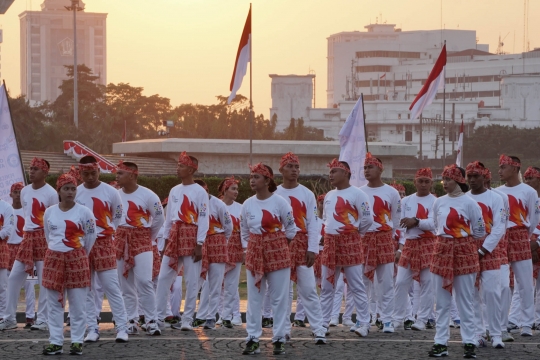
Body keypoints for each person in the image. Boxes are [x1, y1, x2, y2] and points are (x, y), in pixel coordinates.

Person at [428, 164, 485, 358]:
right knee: (442, 302)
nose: (444, 183)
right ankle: (440, 343)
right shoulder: (438, 202)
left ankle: (469, 342)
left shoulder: (470, 203)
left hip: (464, 251)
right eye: (443, 179)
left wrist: (462, 239)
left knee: (465, 300)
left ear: (459, 181)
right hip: (442, 251)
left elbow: (480, 230)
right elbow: (436, 225)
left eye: (449, 179)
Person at [241, 163, 296, 355]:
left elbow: (291, 229)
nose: (252, 180)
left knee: (279, 298)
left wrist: (275, 244)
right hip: (255, 251)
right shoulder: (247, 203)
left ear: (267, 180)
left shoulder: (280, 202)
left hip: (278, 251)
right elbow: (245, 232)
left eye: (256, 177)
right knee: (254, 297)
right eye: (251, 177)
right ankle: (252, 338)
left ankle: (279, 337)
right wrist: (255, 246)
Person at [74, 156, 129, 342]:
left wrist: (110, 230)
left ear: (99, 171)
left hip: (104, 242)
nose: (89, 177)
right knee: (86, 287)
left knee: (111, 286)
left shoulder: (110, 192)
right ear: (80, 173)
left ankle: (122, 327)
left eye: (93, 173)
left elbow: (119, 213)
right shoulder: (77, 192)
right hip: (81, 245)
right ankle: (92, 328)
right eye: (85, 174)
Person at [41, 173, 97, 355]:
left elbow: (90, 236)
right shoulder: (50, 212)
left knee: (78, 303)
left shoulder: (84, 212)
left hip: (77, 259)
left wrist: (79, 254)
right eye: (66, 189)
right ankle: (56, 342)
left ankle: (77, 341)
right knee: (54, 303)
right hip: (54, 259)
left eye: (73, 189)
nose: (70, 192)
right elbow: (48, 235)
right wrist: (57, 252)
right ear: (59, 191)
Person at [0, 158, 58, 331]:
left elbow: (53, 219)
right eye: (30, 168)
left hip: (43, 238)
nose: (31, 172)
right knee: (13, 279)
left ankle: (42, 319)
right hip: (27, 238)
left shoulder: (51, 193)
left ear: (45, 173)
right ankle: (9, 318)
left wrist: (51, 242)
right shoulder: (25, 191)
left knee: (43, 281)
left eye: (35, 169)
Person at [274, 152, 326, 343]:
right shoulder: (275, 194)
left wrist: (313, 248)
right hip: (282, 244)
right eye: (290, 167)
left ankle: (318, 329)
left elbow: (313, 223)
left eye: (297, 167)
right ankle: (284, 329)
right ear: (281, 170)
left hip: (303, 244)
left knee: (308, 288)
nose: (294, 170)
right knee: (283, 290)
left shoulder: (306, 193)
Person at [319, 159, 373, 338]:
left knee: (356, 285)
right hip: (330, 243)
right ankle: (323, 323)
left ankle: (364, 323)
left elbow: (367, 219)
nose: (331, 175)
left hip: (350, 241)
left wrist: (355, 234)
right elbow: (326, 219)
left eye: (335, 171)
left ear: (346, 173)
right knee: (327, 286)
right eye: (330, 171)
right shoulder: (328, 195)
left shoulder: (358, 194)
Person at [156, 152, 209, 331]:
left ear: (191, 169)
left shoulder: (200, 192)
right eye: (178, 165)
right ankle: (158, 318)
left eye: (181, 165)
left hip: (192, 235)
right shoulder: (174, 190)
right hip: (174, 236)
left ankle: (187, 320)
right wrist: (164, 242)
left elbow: (203, 218)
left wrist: (200, 243)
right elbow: (168, 218)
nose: (177, 168)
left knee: (192, 281)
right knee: (163, 277)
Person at [114, 161, 164, 336]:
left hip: (143, 238)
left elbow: (159, 218)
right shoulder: (115, 195)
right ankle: (131, 320)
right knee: (125, 284)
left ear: (133, 175)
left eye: (121, 173)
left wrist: (148, 237)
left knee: (144, 281)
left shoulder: (148, 195)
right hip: (120, 239)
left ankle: (151, 320)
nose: (117, 176)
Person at [497, 155, 539, 336]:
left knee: (525, 282)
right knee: (502, 282)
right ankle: (502, 322)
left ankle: (528, 324)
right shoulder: (497, 192)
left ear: (514, 169)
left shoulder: (528, 192)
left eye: (503, 167)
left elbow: (534, 218)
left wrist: (525, 237)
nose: (499, 171)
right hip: (501, 237)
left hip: (521, 235)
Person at [465, 161, 506, 349]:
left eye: (476, 176)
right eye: (469, 176)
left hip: (489, 249)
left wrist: (483, 250)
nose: (472, 180)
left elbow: (499, 228)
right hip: (468, 249)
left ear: (485, 177)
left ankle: (496, 334)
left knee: (491, 292)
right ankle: (478, 333)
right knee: (472, 294)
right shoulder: (463, 199)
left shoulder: (496, 198)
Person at [359, 153, 401, 333]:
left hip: (384, 238)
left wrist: (387, 236)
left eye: (370, 167)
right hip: (364, 239)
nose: (367, 171)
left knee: (386, 283)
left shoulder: (391, 192)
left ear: (380, 169)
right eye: (365, 168)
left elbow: (397, 219)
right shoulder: (359, 192)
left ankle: (387, 320)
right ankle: (363, 320)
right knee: (362, 282)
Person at [393, 168, 436, 331]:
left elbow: (434, 224)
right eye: (420, 181)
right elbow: (400, 224)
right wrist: (401, 246)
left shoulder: (435, 201)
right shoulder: (406, 202)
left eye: (427, 181)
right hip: (410, 244)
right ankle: (399, 318)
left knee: (427, 283)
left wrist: (417, 221)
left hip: (429, 244)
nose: (423, 184)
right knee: (401, 282)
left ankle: (422, 319)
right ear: (414, 182)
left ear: (431, 183)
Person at [192, 179, 233, 329]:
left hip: (217, 241)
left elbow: (228, 226)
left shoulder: (218, 204)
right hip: (199, 243)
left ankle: (210, 317)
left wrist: (221, 240)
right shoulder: (193, 203)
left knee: (215, 282)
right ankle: (198, 316)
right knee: (198, 280)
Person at [484, 168, 514, 342]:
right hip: (476, 247)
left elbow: (503, 224)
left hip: (499, 247)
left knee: (502, 287)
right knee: (481, 291)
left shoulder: (500, 197)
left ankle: (501, 327)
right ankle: (483, 328)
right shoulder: (468, 197)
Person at [6, 183, 37, 328]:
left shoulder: (27, 211)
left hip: (25, 248)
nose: (18, 194)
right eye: (15, 192)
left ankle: (30, 316)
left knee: (29, 284)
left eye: (20, 192)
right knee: (8, 284)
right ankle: (6, 316)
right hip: (8, 249)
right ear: (10, 194)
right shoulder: (7, 210)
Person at [218, 176, 244, 328]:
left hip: (235, 247)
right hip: (219, 247)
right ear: (225, 190)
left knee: (231, 284)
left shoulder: (240, 208)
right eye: (233, 188)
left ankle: (234, 315)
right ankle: (223, 314)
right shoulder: (216, 205)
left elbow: (245, 230)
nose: (236, 192)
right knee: (219, 284)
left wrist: (245, 249)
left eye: (237, 189)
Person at [523, 167, 540, 328]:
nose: (528, 182)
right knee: (524, 284)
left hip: (536, 243)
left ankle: (538, 319)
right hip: (527, 245)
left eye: (531, 178)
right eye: (526, 179)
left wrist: (537, 243)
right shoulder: (525, 199)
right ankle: (521, 319)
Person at [0, 185, 14, 319]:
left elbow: (8, 230)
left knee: (1, 287)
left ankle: (2, 315)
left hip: (1, 250)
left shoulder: (5, 207)